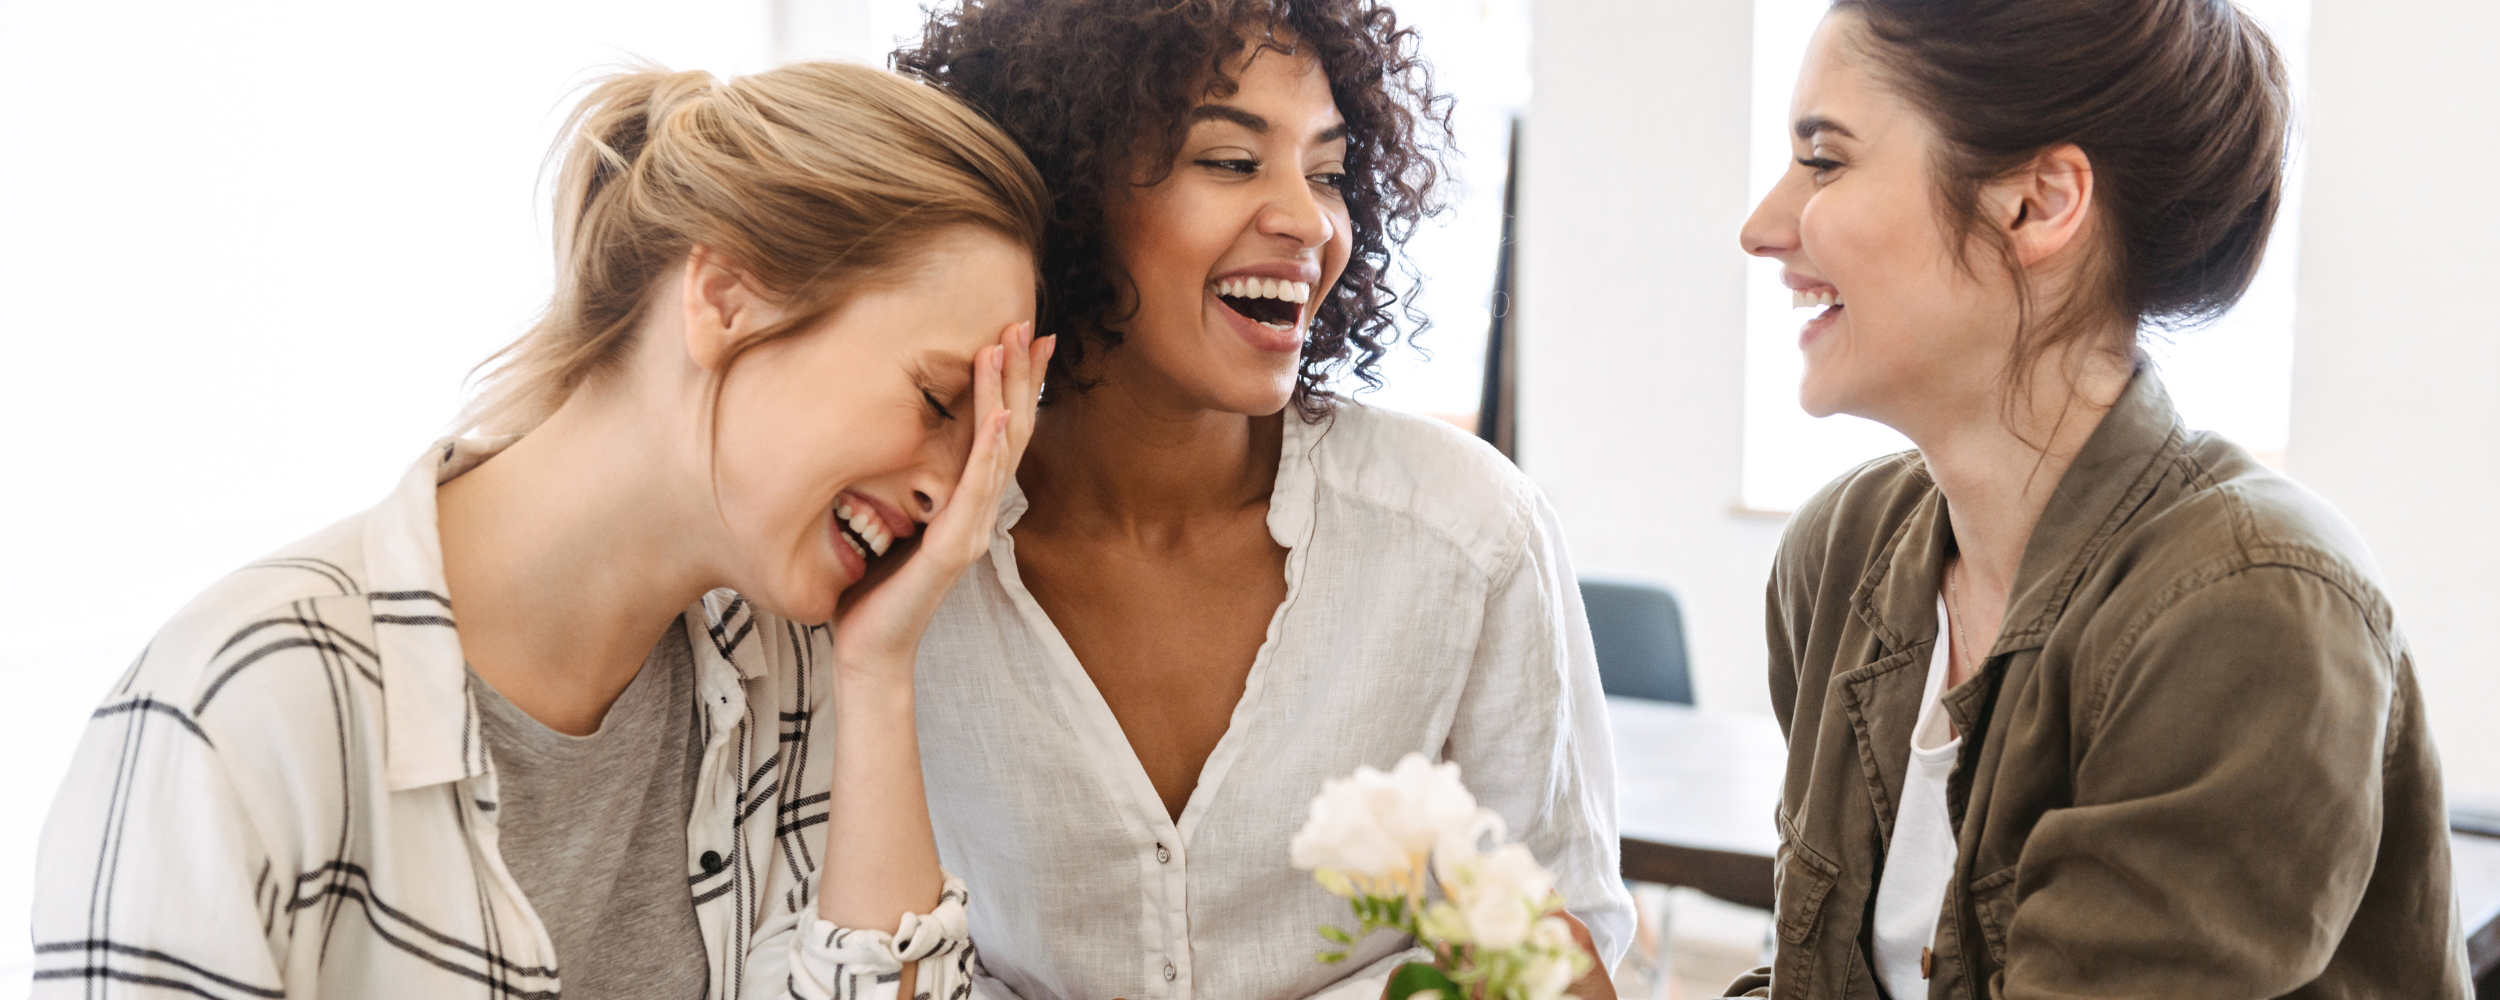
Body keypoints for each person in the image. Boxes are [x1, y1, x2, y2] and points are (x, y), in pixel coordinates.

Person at [32, 62, 1055, 1000]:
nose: (949, 494)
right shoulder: (237, 709)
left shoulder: (786, 678)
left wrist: (877, 676)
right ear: (725, 297)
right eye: (937, 401)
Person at [890, 3, 1633, 999]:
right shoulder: (900, 538)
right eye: (1232, 162)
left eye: (1327, 173)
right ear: (1063, 193)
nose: (1308, 221)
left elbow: (1559, 949)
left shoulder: (1469, 534)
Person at [1732, 0, 2471, 996]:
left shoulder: (2250, 604)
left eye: (1824, 161)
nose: (1761, 227)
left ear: (2038, 204)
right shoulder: (1842, 548)